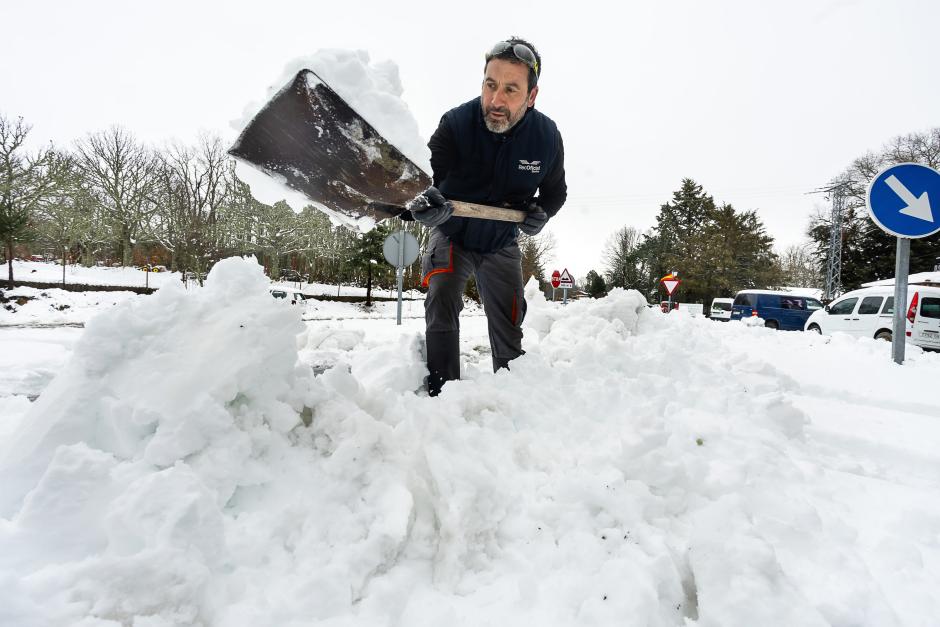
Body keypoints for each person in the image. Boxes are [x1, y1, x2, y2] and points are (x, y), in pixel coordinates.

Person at [407, 37, 567, 397]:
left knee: (510, 321)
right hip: (453, 233)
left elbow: (555, 193)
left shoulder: (546, 138)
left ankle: (511, 398)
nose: (496, 100)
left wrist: (543, 214)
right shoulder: (456, 124)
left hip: (501, 243)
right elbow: (418, 187)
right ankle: (441, 396)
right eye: (490, 85)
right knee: (442, 295)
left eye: (511, 89)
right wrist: (424, 206)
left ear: (532, 96)